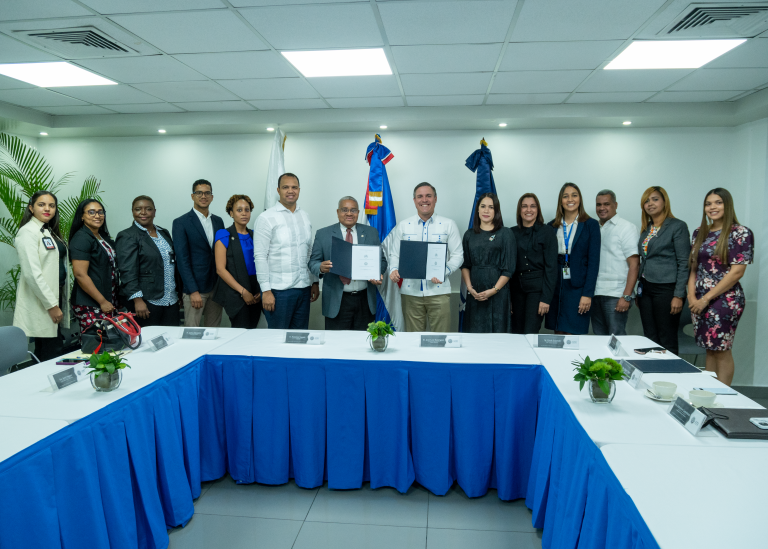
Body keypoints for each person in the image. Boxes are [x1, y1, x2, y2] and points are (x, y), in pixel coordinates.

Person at [687, 188, 753, 386]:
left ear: (727, 205)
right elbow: (693, 269)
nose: (712, 207)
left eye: (718, 203)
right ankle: (709, 394)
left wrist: (706, 298)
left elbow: (737, 272)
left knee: (721, 348)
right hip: (698, 301)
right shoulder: (699, 232)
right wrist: (692, 297)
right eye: (708, 204)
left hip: (724, 300)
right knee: (709, 348)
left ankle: (724, 400)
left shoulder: (740, 233)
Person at [389, 182, 463, 332]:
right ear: (414, 200)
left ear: (435, 199)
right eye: (420, 196)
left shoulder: (448, 224)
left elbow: (458, 255)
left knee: (439, 340)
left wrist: (443, 271)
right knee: (413, 341)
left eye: (428, 196)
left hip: (439, 292)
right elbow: (395, 254)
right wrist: (394, 269)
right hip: (410, 293)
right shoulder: (404, 225)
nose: (424, 200)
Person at [309, 196, 386, 330]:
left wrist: (377, 273)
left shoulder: (371, 232)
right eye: (345, 210)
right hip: (337, 300)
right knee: (336, 345)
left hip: (365, 300)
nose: (349, 213)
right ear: (338, 212)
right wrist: (320, 267)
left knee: (363, 344)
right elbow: (313, 263)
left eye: (353, 210)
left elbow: (382, 261)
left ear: (358, 212)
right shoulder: (323, 234)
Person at [254, 173, 319, 329]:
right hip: (278, 291)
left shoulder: (305, 216)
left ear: (299, 190)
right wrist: (266, 291)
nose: (290, 191)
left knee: (299, 338)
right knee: (278, 340)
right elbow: (260, 256)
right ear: (278, 190)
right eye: (285, 187)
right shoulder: (266, 218)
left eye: (294, 187)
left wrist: (314, 281)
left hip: (303, 289)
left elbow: (309, 252)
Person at [13, 191, 71, 361]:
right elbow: (32, 273)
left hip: (55, 295)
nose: (47, 209)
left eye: (51, 205)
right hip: (44, 302)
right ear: (31, 208)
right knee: (48, 352)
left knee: (55, 348)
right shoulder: (27, 232)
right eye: (41, 204)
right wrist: (52, 305)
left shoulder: (47, 231)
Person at [637, 186, 690, 355]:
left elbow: (684, 262)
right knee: (650, 337)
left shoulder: (677, 226)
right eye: (646, 201)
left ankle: (670, 377)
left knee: (666, 338)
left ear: (664, 201)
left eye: (654, 199)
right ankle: (653, 377)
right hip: (646, 288)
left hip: (667, 289)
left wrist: (678, 295)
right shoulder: (647, 229)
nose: (650, 204)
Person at [115, 196, 181, 328]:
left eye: (148, 209)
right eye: (138, 209)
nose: (143, 213)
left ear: (154, 212)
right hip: (147, 301)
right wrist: (137, 300)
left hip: (171, 299)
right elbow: (127, 271)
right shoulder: (128, 235)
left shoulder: (164, 233)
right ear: (133, 212)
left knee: (172, 340)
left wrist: (178, 292)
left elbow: (172, 263)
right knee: (149, 343)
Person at [545, 182, 601, 335]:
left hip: (578, 288)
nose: (570, 199)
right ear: (561, 201)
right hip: (556, 284)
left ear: (580, 199)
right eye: (566, 196)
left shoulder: (591, 225)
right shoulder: (551, 226)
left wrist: (587, 294)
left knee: (574, 332)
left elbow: (594, 263)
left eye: (574, 195)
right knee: (558, 330)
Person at [172, 179, 225, 328]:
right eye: (199, 193)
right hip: (195, 289)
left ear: (212, 197)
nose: (203, 196)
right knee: (192, 332)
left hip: (216, 288)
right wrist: (192, 291)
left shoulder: (218, 221)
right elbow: (182, 260)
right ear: (192, 196)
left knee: (213, 332)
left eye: (207, 193)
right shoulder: (181, 222)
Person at [460, 193, 515, 333]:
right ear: (477, 210)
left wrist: (493, 290)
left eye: (491, 207)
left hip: (498, 294)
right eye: (483, 206)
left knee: (497, 336)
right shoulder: (469, 235)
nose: (486, 210)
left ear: (496, 211)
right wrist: (470, 288)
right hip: (475, 294)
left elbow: (508, 269)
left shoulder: (506, 234)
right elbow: (465, 265)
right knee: (474, 335)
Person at [591, 190, 640, 336]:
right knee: (599, 339)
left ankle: (619, 361)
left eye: (607, 204)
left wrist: (626, 296)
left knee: (616, 339)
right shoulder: (594, 228)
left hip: (616, 294)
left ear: (615, 205)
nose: (602, 208)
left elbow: (634, 265)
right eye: (598, 204)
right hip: (596, 293)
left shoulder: (626, 228)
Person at [69, 199, 119, 337]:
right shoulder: (81, 238)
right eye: (91, 212)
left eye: (100, 212)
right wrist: (102, 301)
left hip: (108, 299)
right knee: (97, 344)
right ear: (82, 216)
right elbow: (80, 274)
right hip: (91, 303)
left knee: (112, 343)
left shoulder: (102, 236)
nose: (97, 215)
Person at [212, 194, 262, 329]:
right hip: (236, 290)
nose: (244, 213)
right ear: (231, 213)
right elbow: (220, 269)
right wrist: (243, 292)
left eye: (247, 210)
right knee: (241, 331)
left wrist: (260, 290)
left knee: (253, 330)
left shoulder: (254, 235)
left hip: (255, 289)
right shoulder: (224, 234)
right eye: (239, 210)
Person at [510, 193, 558, 334]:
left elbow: (551, 268)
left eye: (532, 206)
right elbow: (508, 267)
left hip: (537, 291)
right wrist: (508, 299)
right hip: (516, 290)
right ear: (520, 210)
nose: (528, 210)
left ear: (538, 209)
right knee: (516, 332)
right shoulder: (511, 233)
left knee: (530, 332)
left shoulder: (547, 232)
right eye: (524, 206)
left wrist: (546, 299)